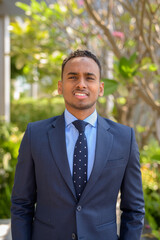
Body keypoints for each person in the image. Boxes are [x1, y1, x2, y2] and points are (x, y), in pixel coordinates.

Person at [11, 49, 145, 240]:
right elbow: (21, 204)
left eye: (89, 78)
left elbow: (134, 210)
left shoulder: (124, 137)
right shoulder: (35, 134)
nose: (81, 84)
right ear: (60, 86)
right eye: (73, 77)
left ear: (100, 88)